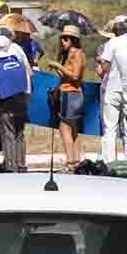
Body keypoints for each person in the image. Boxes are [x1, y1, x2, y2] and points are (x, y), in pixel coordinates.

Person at [0, 32, 32, 172]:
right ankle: (21, 164)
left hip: (6, 107)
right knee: (19, 135)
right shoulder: (19, 64)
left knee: (8, 136)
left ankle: (10, 166)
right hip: (21, 104)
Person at [56, 23, 86, 171]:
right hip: (66, 92)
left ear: (73, 40)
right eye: (62, 38)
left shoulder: (78, 53)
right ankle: (75, 161)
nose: (63, 41)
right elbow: (66, 77)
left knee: (64, 128)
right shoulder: (68, 54)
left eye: (66, 39)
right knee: (72, 129)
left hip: (72, 94)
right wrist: (58, 67)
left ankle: (70, 161)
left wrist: (59, 66)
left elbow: (75, 76)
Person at [99, 16, 127, 164]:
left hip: (113, 89)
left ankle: (109, 163)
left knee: (110, 128)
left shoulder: (113, 42)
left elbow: (105, 67)